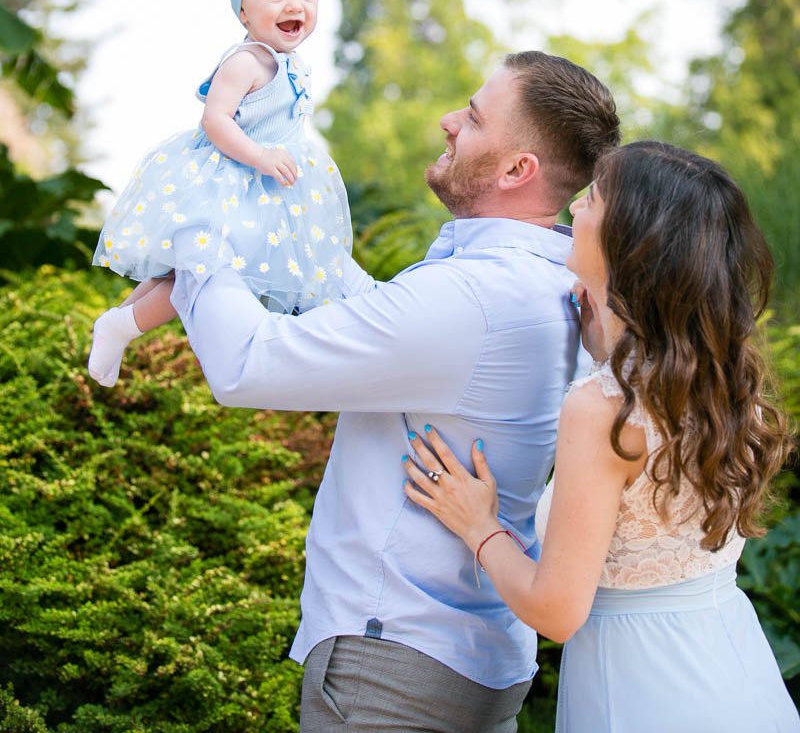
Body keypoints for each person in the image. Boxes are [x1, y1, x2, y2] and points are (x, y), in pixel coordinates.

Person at [168, 50, 621, 733]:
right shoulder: (535, 283)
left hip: (392, 670)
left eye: (471, 117)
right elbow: (395, 324)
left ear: (516, 169)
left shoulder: (471, 296)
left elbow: (246, 365)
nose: (447, 121)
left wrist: (196, 232)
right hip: (463, 656)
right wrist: (300, 228)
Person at [402, 141, 798, 733]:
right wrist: (606, 346)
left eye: (591, 199)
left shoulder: (603, 409)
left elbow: (556, 612)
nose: (574, 208)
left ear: (627, 241)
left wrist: (478, 525)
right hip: (736, 671)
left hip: (644, 692)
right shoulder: (715, 383)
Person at [88, 0, 352, 387]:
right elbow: (215, 121)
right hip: (227, 185)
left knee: (181, 275)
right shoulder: (245, 61)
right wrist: (261, 157)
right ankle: (122, 326)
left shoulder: (292, 64)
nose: (295, 5)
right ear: (243, 11)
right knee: (195, 276)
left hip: (266, 195)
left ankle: (116, 324)